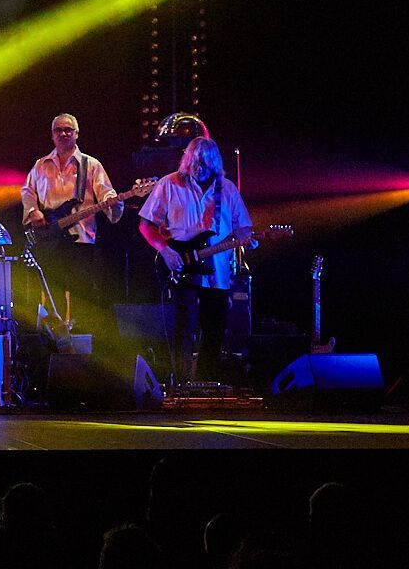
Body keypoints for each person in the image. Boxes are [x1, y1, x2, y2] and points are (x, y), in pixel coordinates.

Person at [138, 133, 255, 385]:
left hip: (217, 273)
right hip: (182, 268)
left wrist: (250, 239)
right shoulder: (169, 184)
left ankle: (205, 383)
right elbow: (146, 225)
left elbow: (242, 228)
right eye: (194, 162)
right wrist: (167, 251)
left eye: (204, 163)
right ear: (187, 160)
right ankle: (181, 384)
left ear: (214, 163)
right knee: (185, 328)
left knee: (214, 330)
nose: (198, 168)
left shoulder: (228, 190)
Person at [20, 113, 124, 337]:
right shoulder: (40, 165)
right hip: (49, 239)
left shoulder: (91, 164)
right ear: (52, 135)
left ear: (77, 134)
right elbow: (27, 192)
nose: (64, 133)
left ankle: (80, 344)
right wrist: (33, 211)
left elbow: (106, 190)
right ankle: (53, 342)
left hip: (81, 238)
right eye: (59, 130)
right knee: (52, 293)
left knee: (81, 294)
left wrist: (111, 200)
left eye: (69, 130)